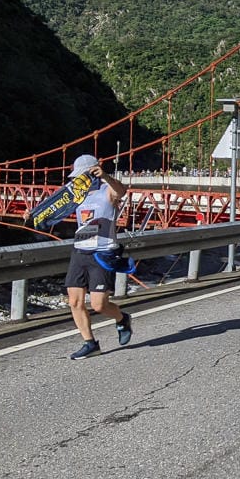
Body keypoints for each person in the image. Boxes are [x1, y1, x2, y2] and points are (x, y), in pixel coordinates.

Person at [64, 154, 133, 359]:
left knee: (99, 305)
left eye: (81, 176)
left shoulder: (107, 191)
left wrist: (106, 176)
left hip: (102, 252)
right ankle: (90, 343)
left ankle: (122, 319)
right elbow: (53, 210)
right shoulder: (77, 195)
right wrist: (33, 216)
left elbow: (122, 191)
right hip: (79, 251)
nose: (77, 180)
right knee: (74, 302)